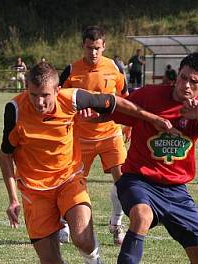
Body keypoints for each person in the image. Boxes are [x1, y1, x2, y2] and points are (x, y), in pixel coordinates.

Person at [0, 61, 173, 264]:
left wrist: (152, 119)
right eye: (33, 95)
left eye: (45, 95)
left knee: (81, 237)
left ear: (58, 90)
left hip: (69, 179)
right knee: (49, 261)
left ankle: (95, 263)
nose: (39, 102)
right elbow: (5, 155)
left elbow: (114, 102)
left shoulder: (74, 99)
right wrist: (12, 198)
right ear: (27, 89)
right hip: (34, 191)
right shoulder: (14, 109)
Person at [101, 51, 198, 264]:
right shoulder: (149, 95)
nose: (185, 85)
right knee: (141, 216)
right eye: (182, 78)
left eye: (194, 82)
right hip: (138, 180)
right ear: (176, 75)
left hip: (176, 192)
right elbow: (120, 108)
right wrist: (95, 111)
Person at [59, 26, 129, 246]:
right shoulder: (71, 70)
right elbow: (57, 101)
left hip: (111, 134)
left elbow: (125, 97)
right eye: (90, 48)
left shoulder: (115, 68)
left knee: (124, 180)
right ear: (83, 46)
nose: (94, 53)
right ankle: (65, 223)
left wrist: (128, 125)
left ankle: (116, 224)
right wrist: (73, 112)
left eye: (97, 48)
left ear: (104, 46)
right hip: (81, 138)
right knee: (73, 183)